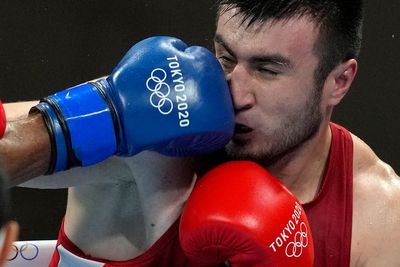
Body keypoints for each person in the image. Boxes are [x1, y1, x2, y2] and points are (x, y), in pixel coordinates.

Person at [1, 0, 400, 266]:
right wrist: (85, 121)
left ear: (339, 81)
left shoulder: (379, 219)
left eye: (267, 69)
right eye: (225, 56)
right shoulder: (153, 131)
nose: (235, 91)